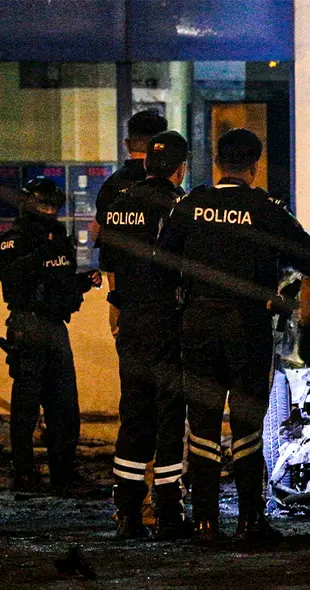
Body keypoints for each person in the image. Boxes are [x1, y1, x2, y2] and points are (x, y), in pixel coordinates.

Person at [156, 128, 310, 544]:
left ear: (217, 164)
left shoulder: (192, 204)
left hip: (196, 324)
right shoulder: (264, 208)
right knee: (248, 425)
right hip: (247, 327)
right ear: (255, 166)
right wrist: (283, 284)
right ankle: (251, 521)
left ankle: (205, 523)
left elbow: (160, 259)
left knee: (202, 426)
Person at [99, 131, 190, 539]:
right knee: (169, 415)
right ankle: (168, 508)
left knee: (134, 414)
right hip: (167, 321)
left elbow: (111, 266)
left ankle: (127, 512)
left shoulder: (119, 206)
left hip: (131, 320)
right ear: (180, 167)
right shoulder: (176, 208)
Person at [0, 178, 102, 493]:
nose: (49, 211)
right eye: (44, 205)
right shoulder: (15, 238)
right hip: (28, 325)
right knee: (26, 406)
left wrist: (85, 280)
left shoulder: (57, 236)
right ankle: (25, 473)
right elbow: (12, 276)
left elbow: (63, 281)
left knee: (64, 404)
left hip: (55, 327)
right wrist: (43, 254)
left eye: (53, 206)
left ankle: (64, 472)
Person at [95, 109, 168, 338]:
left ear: (127, 143)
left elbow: (108, 250)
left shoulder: (111, 187)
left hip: (123, 299)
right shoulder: (167, 187)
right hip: (161, 300)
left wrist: (115, 305)